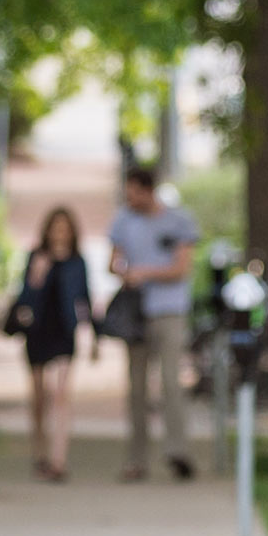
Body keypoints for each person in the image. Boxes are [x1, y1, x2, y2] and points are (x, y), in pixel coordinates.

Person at [107, 166, 200, 482]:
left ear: (148, 190)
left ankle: (178, 451)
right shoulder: (123, 220)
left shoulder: (178, 220)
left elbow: (181, 267)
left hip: (170, 310)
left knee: (173, 382)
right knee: (136, 388)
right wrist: (125, 273)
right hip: (136, 313)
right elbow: (113, 261)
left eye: (134, 192)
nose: (129, 198)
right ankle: (136, 459)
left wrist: (144, 273)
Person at [14, 206, 92, 482]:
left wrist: (93, 334)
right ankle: (40, 452)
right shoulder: (36, 257)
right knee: (39, 396)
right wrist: (37, 274)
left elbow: (85, 298)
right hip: (38, 331)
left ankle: (59, 458)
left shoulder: (77, 261)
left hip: (64, 332)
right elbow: (23, 298)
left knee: (61, 394)